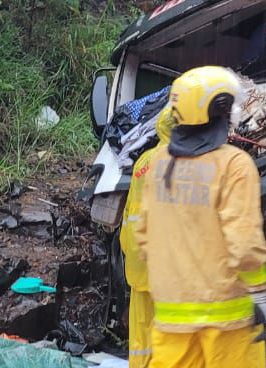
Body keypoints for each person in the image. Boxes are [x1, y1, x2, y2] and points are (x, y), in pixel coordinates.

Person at [134, 66, 266, 368]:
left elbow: (144, 237)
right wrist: (260, 294)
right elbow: (245, 244)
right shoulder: (235, 165)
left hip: (171, 321)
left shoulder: (158, 164)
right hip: (227, 323)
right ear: (219, 109)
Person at [119, 106, 173, 367]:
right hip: (165, 267)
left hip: (138, 263)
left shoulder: (143, 161)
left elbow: (129, 211)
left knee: (140, 338)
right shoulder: (182, 163)